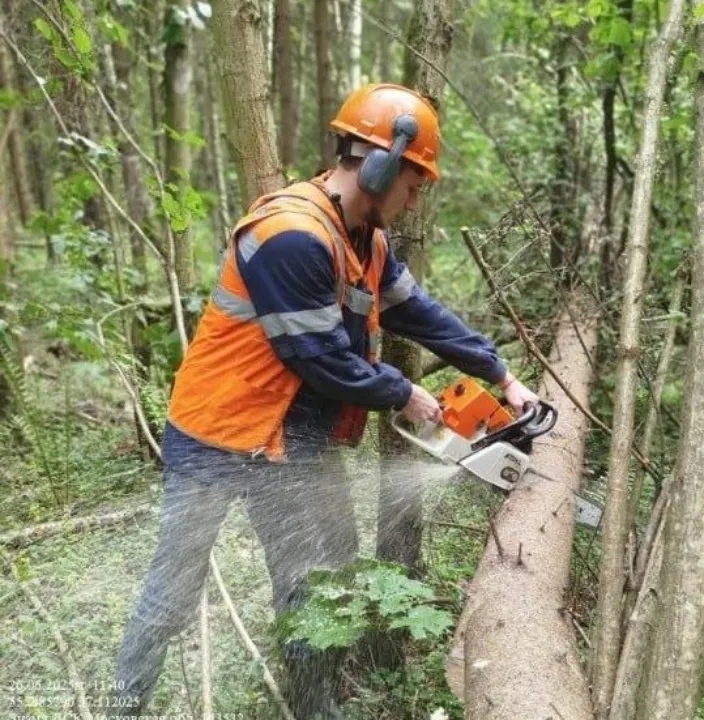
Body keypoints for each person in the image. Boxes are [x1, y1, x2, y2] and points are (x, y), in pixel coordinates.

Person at [110, 83, 537, 719]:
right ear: (381, 164)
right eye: (414, 183)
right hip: (218, 435)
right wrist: (406, 393)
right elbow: (318, 358)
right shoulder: (291, 235)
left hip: (290, 439)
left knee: (311, 587)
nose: (416, 198)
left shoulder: (367, 238)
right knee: (172, 594)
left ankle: (315, 709)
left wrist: (499, 374)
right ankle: (119, 705)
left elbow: (416, 312)